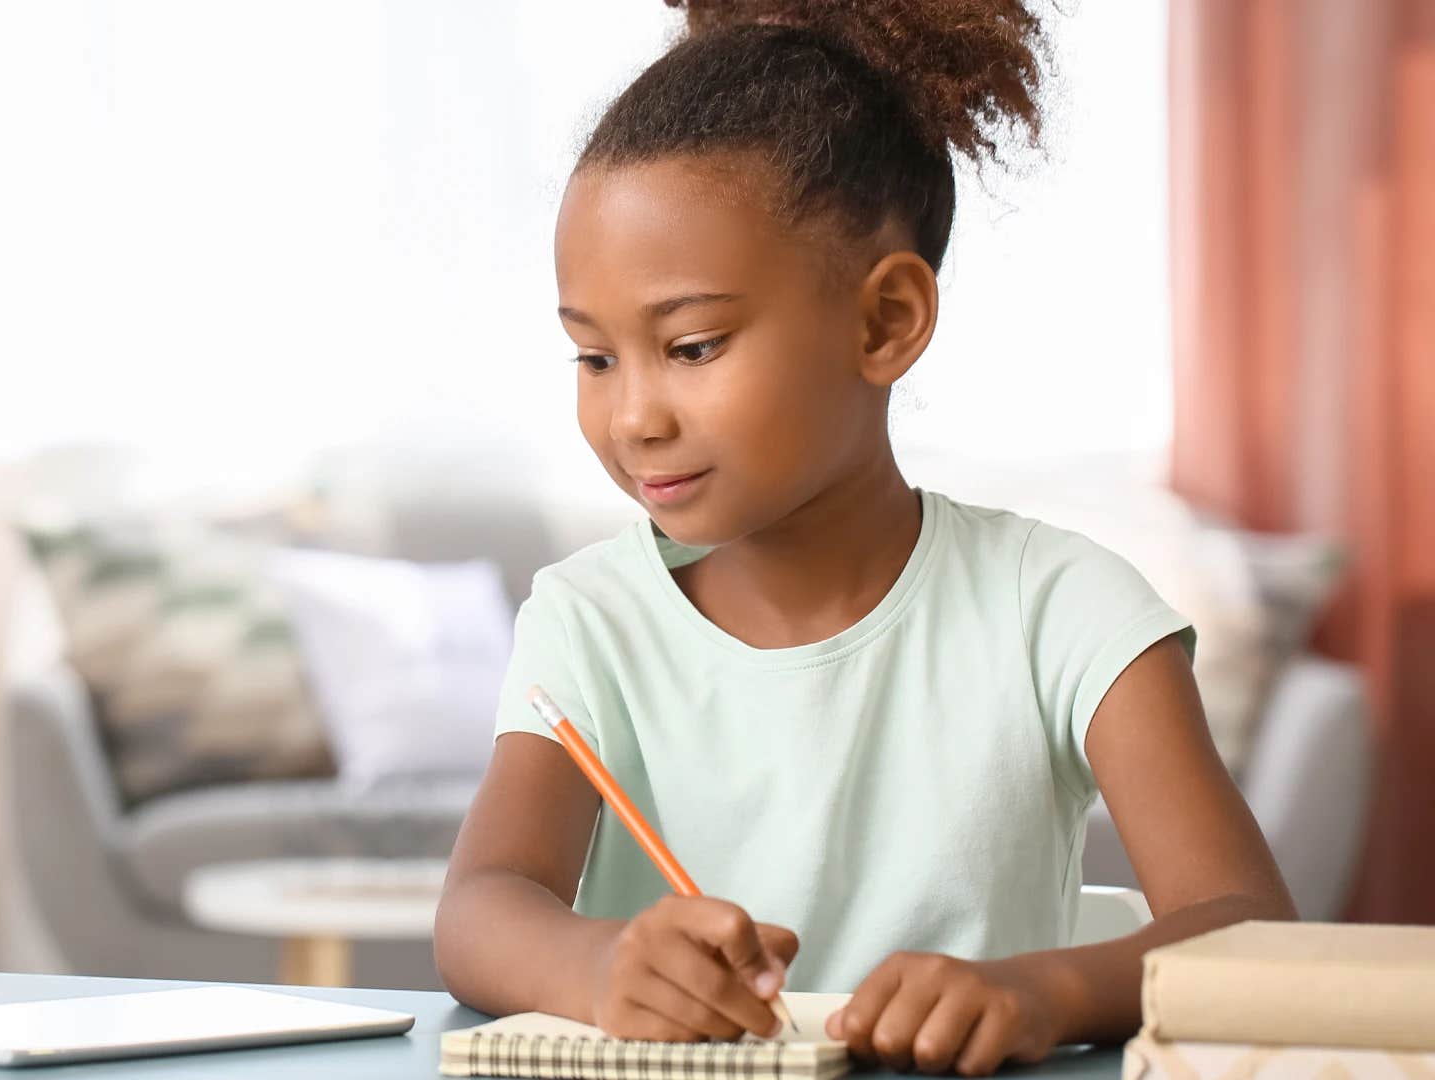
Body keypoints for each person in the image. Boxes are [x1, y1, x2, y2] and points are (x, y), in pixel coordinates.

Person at [432, 2, 1296, 1074]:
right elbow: (480, 909)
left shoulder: (1063, 608)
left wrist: (1047, 988)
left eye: (691, 345)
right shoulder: (588, 619)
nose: (633, 416)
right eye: (595, 358)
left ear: (885, 321)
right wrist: (601, 966)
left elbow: (1249, 926)